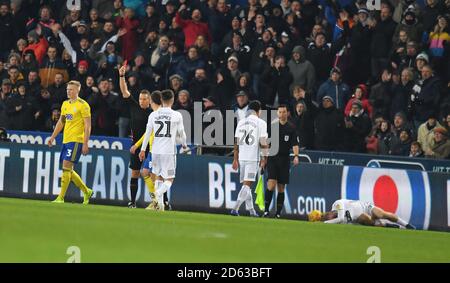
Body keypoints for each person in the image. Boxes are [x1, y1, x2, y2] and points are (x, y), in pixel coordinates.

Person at [139, 90, 188, 211]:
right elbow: (182, 133)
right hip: (168, 151)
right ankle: (157, 195)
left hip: (155, 151)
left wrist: (142, 150)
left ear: (161, 100)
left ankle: (159, 206)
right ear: (172, 100)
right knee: (169, 179)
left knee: (159, 177)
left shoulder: (153, 115)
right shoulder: (177, 115)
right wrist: (184, 144)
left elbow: (148, 133)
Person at [47, 80, 93, 204]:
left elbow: (87, 126)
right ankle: (87, 191)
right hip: (66, 140)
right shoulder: (65, 104)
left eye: (71, 89)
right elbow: (61, 122)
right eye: (67, 89)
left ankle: (61, 197)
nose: (68, 91)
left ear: (78, 90)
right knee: (68, 170)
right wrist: (53, 137)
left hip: (76, 140)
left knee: (66, 167)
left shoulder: (83, 105)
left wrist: (85, 142)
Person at [119, 65, 153, 208]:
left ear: (149, 100)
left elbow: (150, 132)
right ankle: (133, 202)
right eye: (140, 98)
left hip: (150, 147)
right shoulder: (134, 106)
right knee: (135, 173)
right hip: (135, 146)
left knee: (154, 176)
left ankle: (161, 201)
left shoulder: (153, 113)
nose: (141, 101)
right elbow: (124, 91)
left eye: (144, 99)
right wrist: (121, 76)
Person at [231, 100, 268, 217]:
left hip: (242, 158)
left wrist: (235, 159)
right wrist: (264, 158)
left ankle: (252, 211)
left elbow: (236, 143)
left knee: (246, 185)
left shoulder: (241, 122)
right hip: (252, 158)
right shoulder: (261, 123)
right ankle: (235, 208)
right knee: (247, 185)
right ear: (258, 110)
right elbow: (263, 143)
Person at [263, 105, 299, 218]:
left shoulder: (291, 128)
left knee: (281, 187)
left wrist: (296, 156)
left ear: (287, 113)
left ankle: (278, 213)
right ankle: (266, 210)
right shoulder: (272, 126)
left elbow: (295, 144)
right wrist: (264, 158)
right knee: (271, 184)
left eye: (284, 112)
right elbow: (266, 143)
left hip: (284, 159)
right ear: (277, 113)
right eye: (280, 112)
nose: (282, 114)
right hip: (272, 158)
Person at [308, 199, 416, 229]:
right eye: (322, 218)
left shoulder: (337, 204)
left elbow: (341, 218)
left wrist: (325, 223)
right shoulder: (336, 223)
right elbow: (350, 221)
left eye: (324, 215)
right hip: (360, 216)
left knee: (381, 214)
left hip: (365, 207)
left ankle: (406, 225)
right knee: (369, 222)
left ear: (327, 213)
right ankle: (390, 226)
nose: (326, 216)